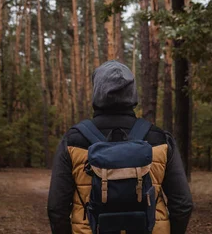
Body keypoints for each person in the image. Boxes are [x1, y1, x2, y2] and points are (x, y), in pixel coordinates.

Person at [47, 60, 193, 234]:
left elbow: (57, 208)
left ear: (97, 92)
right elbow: (182, 205)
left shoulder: (72, 141)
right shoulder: (160, 139)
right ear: (132, 93)